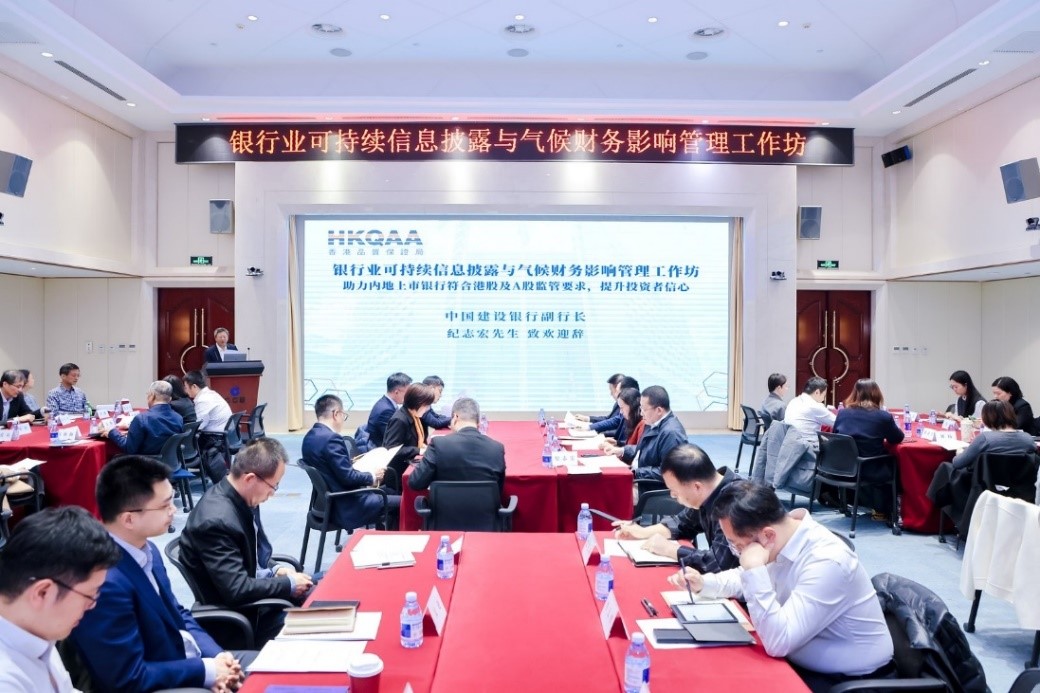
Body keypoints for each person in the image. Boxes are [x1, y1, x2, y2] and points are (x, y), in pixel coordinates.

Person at [668, 481, 893, 692]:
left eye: (737, 546)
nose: (737, 552)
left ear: (768, 535)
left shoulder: (827, 561)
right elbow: (744, 577)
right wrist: (705, 583)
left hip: (848, 682)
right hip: (797, 659)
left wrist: (754, 569)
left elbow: (778, 642)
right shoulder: (785, 535)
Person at [70, 456, 247, 692]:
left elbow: (177, 612)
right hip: (166, 682)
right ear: (129, 519)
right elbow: (127, 677)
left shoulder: (147, 549)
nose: (173, 510)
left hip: (189, 661)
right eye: (165, 505)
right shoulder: (104, 581)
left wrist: (218, 657)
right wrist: (206, 672)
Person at [179, 438, 313, 647]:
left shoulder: (241, 497)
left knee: (326, 585)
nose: (273, 493)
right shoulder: (216, 522)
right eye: (274, 486)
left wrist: (275, 569)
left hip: (258, 598)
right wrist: (288, 585)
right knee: (324, 618)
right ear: (250, 479)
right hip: (248, 618)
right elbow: (237, 589)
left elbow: (251, 553)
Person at [0, 506, 121, 693]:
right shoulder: (6, 682)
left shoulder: (36, 627)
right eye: (90, 595)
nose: (92, 605)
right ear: (43, 593)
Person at [613, 444, 740, 573]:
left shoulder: (734, 504)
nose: (672, 495)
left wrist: (671, 550)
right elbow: (681, 523)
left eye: (675, 490)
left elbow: (718, 564)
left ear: (696, 487)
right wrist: (641, 532)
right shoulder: (708, 491)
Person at [928, 399, 1037, 530]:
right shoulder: (1028, 439)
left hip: (984, 487)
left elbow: (958, 463)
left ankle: (948, 521)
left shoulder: (985, 438)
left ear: (988, 418)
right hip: (1019, 488)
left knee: (946, 468)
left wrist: (960, 452)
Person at [302, 394, 399, 531]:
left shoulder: (309, 437)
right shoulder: (331, 439)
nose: (343, 420)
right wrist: (372, 476)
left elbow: (338, 471)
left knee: (391, 491)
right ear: (336, 414)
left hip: (327, 502)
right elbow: (348, 478)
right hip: (347, 504)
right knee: (403, 502)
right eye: (343, 415)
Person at [832, 378, 903, 517]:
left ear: (854, 394)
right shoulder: (883, 416)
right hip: (869, 469)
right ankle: (887, 509)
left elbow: (836, 436)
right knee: (894, 462)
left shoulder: (843, 413)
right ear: (877, 394)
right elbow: (897, 438)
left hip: (843, 467)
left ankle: (861, 503)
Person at [409, 397, 507, 494]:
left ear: (455, 417)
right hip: (485, 504)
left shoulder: (438, 444)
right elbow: (498, 490)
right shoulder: (497, 448)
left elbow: (416, 482)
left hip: (445, 503)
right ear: (478, 422)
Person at [602, 385, 688, 480]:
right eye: (641, 408)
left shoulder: (671, 433)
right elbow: (644, 449)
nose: (641, 413)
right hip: (639, 476)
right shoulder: (653, 422)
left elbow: (669, 472)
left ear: (659, 410)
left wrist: (635, 473)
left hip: (647, 483)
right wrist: (622, 450)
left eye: (644, 409)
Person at [100, 380, 183, 456]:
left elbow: (129, 448)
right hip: (171, 463)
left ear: (152, 396)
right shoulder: (179, 418)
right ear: (170, 399)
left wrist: (112, 432)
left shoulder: (141, 419)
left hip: (145, 464)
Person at [184, 370, 234, 483]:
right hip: (222, 436)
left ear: (194, 386)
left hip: (213, 439)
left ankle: (178, 482)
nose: (185, 391)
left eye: (186, 387)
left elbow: (199, 425)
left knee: (180, 443)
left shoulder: (203, 400)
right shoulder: (212, 394)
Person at [383, 383, 438, 485]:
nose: (427, 409)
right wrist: (418, 450)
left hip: (410, 463)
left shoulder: (414, 415)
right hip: (399, 473)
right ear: (418, 403)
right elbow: (391, 449)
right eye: (426, 405)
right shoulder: (399, 420)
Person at [783, 376, 835, 445]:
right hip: (807, 447)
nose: (823, 399)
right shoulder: (814, 406)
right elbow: (836, 422)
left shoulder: (793, 401)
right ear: (817, 392)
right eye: (824, 395)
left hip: (789, 444)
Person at [366, 372, 412, 448]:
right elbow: (393, 438)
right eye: (407, 393)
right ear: (396, 392)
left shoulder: (386, 403)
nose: (408, 396)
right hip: (382, 450)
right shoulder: (386, 410)